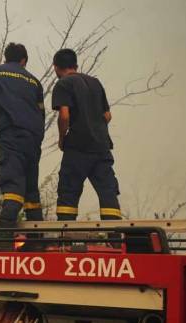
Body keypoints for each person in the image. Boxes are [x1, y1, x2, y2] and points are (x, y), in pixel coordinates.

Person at [0, 43, 45, 230]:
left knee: (13, 184)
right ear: (24, 61)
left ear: (6, 57)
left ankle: (4, 233)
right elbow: (41, 114)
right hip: (33, 141)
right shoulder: (35, 82)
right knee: (31, 191)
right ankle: (36, 239)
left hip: (12, 137)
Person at [51, 48, 121, 220]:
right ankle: (114, 237)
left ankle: (64, 239)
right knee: (108, 191)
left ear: (56, 67)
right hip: (101, 147)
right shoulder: (95, 83)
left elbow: (65, 116)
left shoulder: (63, 84)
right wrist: (95, 127)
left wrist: (62, 138)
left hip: (78, 147)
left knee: (68, 191)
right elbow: (107, 115)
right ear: (76, 64)